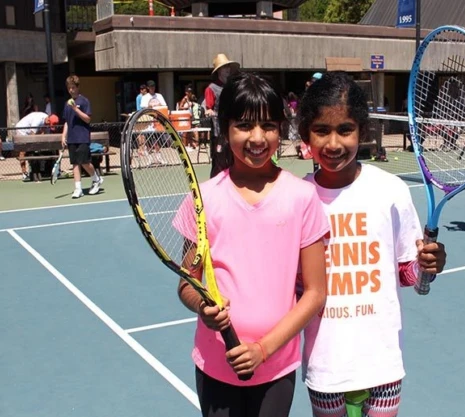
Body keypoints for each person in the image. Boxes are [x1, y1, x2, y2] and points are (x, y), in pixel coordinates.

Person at [174, 71, 329, 417]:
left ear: (281, 129)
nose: (257, 137)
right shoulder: (205, 199)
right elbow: (187, 282)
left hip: (276, 367)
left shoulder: (302, 197)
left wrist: (263, 349)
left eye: (269, 126)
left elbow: (316, 292)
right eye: (244, 125)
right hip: (216, 366)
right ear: (225, 127)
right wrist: (202, 307)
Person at [296, 71, 447, 417]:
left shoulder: (391, 190)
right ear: (306, 135)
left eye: (345, 129)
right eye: (321, 130)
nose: (333, 143)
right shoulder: (298, 197)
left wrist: (430, 265)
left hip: (382, 360)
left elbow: (409, 275)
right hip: (327, 363)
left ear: (362, 132)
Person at [62, 75, 103, 199]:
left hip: (82, 137)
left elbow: (88, 119)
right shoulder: (66, 104)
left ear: (78, 87)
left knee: (84, 162)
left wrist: (75, 108)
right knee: (75, 163)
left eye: (73, 88)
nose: (71, 90)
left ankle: (96, 179)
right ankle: (78, 188)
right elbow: (67, 122)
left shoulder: (84, 101)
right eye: (69, 88)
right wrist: (63, 135)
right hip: (71, 138)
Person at [203, 54, 240, 176]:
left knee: (234, 159)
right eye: (225, 67)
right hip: (218, 131)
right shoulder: (211, 88)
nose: (228, 69)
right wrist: (210, 112)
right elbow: (208, 109)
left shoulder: (232, 87)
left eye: (228, 66)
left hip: (233, 128)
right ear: (219, 70)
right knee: (219, 161)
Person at [15, 111, 60, 181]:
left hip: (31, 132)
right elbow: (32, 135)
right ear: (48, 119)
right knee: (23, 151)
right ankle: (24, 173)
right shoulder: (37, 121)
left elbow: (43, 132)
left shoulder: (46, 120)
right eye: (49, 124)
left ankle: (40, 171)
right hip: (22, 130)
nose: (49, 126)